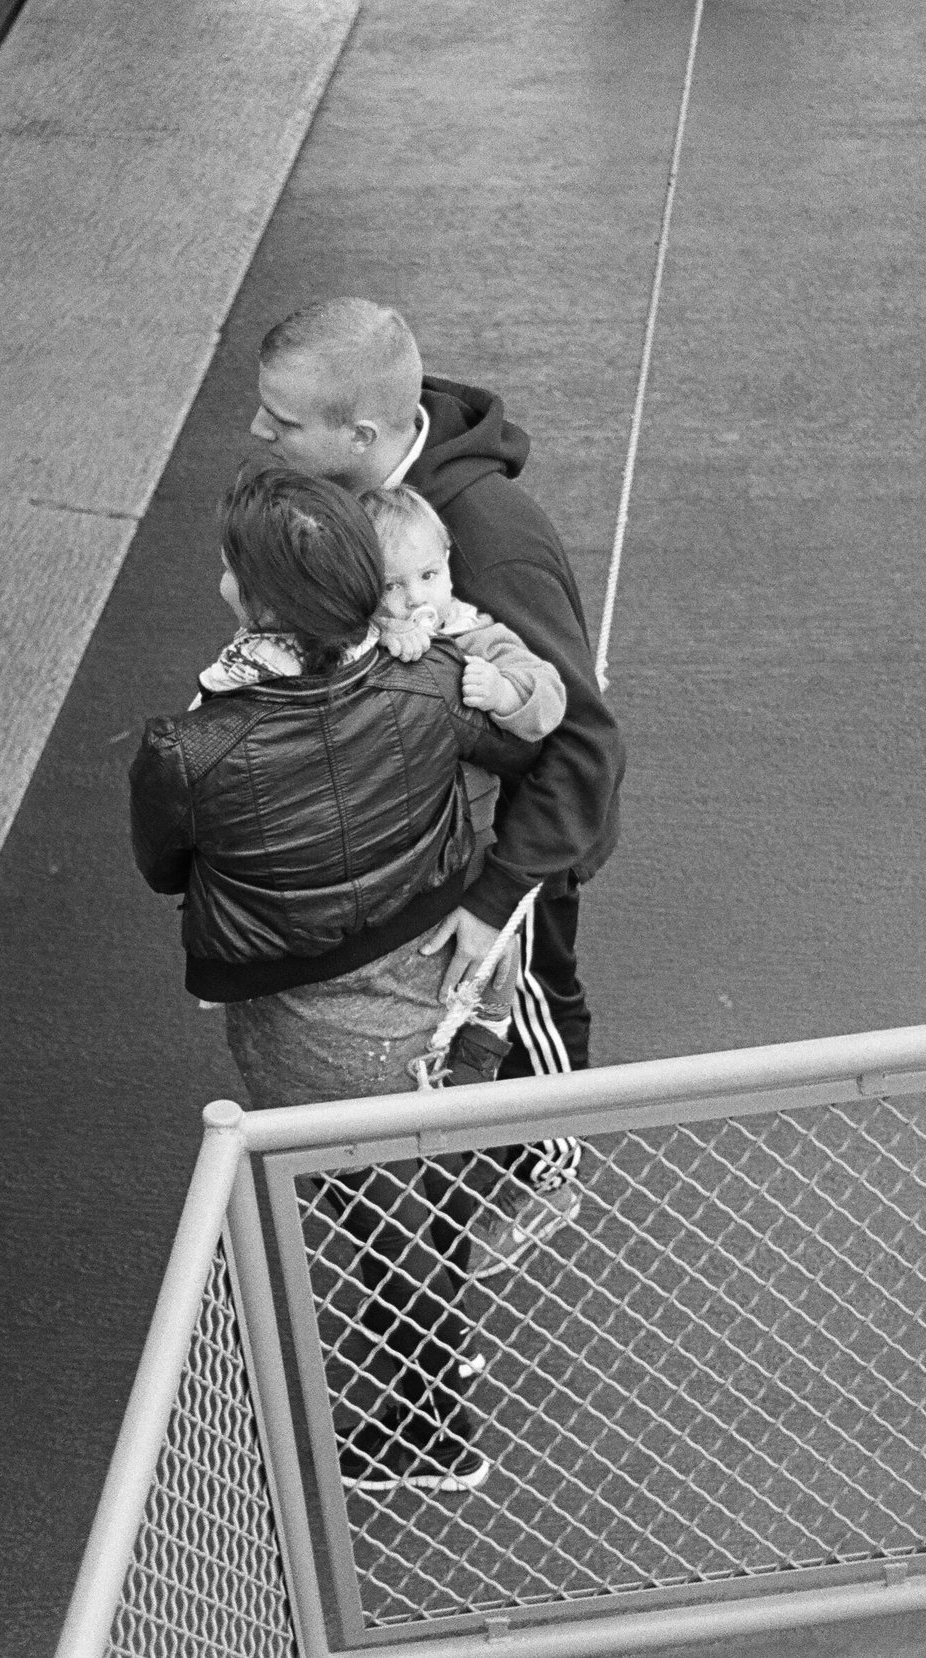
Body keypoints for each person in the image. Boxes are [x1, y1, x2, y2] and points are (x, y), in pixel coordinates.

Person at [130, 467, 541, 1492]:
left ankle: (430, 1424)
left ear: (243, 595)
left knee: (375, 1219)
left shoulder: (188, 746)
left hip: (311, 1033)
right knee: (428, 1184)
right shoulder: (436, 679)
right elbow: (527, 743)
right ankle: (443, 1348)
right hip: (443, 990)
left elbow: (163, 866)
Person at [251, 297, 626, 1276]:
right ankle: (477, 1137)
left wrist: (499, 898)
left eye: (282, 421)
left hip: (511, 839)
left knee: (532, 995)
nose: (258, 434)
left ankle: (548, 1165)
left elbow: (582, 741)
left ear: (361, 434)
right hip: (436, 824)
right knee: (470, 1017)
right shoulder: (354, 503)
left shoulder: (487, 540)